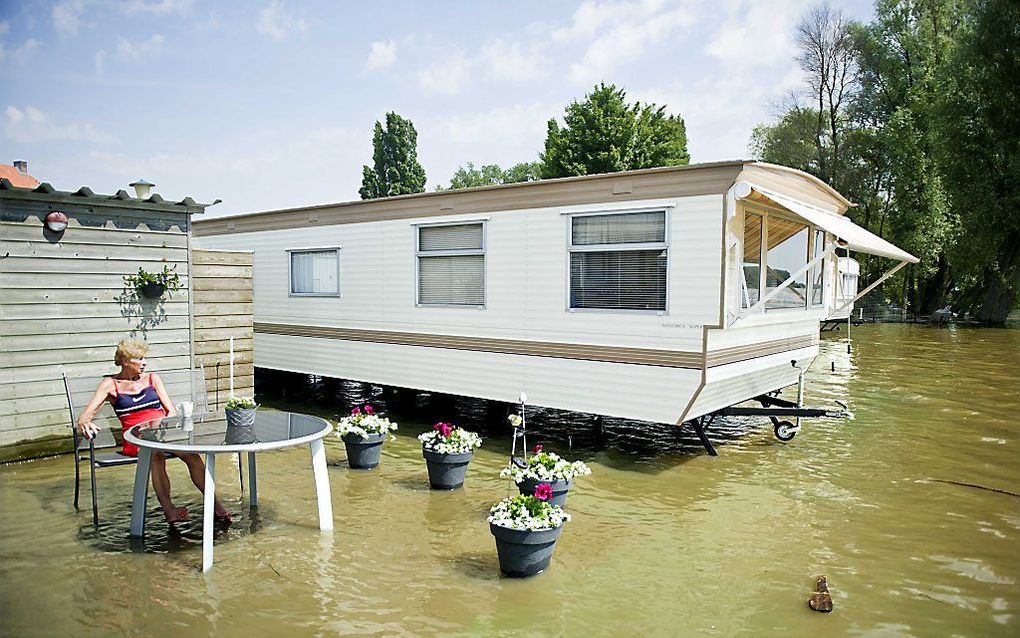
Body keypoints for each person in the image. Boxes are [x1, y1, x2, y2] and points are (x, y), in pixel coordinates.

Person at [77, 338, 230, 524]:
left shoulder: (152, 379)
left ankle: (215, 504)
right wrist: (86, 423)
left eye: (144, 358)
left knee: (192, 455)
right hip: (136, 438)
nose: (144, 363)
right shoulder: (110, 384)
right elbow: (85, 416)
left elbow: (171, 412)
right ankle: (169, 510)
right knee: (155, 453)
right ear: (125, 361)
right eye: (139, 359)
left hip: (164, 433)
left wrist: (163, 426)